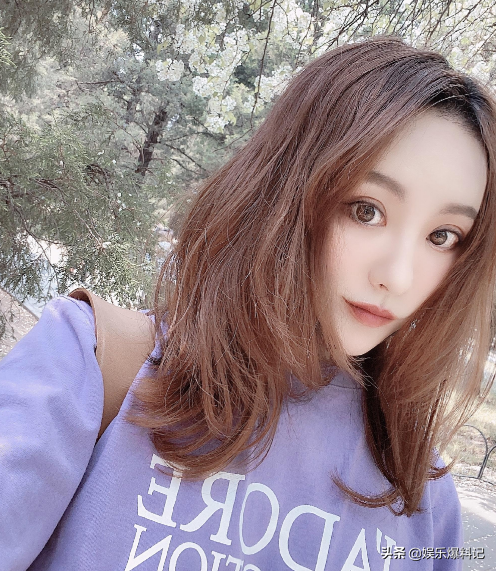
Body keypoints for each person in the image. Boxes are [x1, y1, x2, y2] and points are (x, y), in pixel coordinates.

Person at [1, 36, 495, 571]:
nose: (398, 277)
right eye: (365, 210)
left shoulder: (423, 501)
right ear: (286, 191)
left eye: (443, 236)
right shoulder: (87, 364)